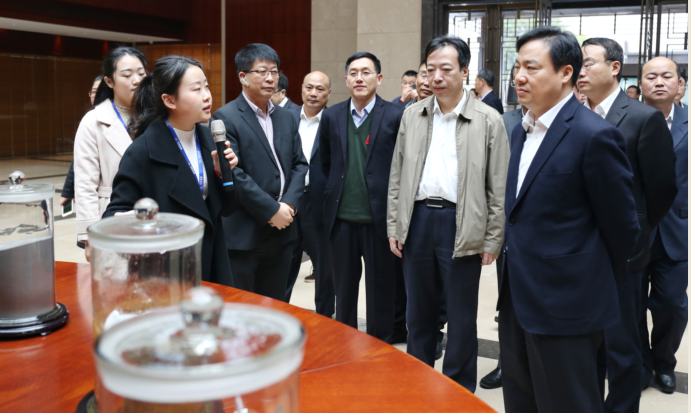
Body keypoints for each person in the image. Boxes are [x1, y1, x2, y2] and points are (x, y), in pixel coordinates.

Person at [500, 26, 638, 413]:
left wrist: (581, 279)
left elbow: (622, 229)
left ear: (565, 73)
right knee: (521, 401)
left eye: (531, 67)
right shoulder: (520, 130)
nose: (519, 76)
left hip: (567, 304)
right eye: (517, 67)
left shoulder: (594, 135)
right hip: (518, 297)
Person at [387, 35, 509, 392]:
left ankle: (458, 389)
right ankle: (417, 383)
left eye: (446, 69)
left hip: (462, 222)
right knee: (418, 314)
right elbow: (397, 175)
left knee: (460, 317)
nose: (436, 77)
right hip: (418, 221)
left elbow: (498, 186)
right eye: (430, 69)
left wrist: (493, 238)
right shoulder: (413, 115)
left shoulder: (488, 119)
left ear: (465, 71)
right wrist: (395, 225)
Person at [579, 37, 677, 413]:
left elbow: (662, 190)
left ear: (614, 67)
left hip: (624, 251)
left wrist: (635, 230)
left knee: (622, 342)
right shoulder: (572, 114)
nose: (580, 71)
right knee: (587, 341)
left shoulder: (641, 118)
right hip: (579, 248)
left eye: (588, 63)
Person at [104, 55, 241, 285]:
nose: (207, 96)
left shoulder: (209, 139)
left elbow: (227, 209)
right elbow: (114, 214)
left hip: (211, 260)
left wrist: (222, 174)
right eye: (196, 89)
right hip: (166, 269)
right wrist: (133, 221)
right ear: (170, 100)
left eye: (206, 86)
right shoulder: (143, 151)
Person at [211, 44, 308, 301]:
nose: (270, 78)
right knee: (243, 308)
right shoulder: (225, 117)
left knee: (276, 306)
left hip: (283, 231)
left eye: (274, 72)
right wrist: (271, 210)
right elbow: (234, 173)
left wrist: (288, 205)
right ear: (243, 77)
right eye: (262, 71)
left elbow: (300, 165)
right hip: (245, 233)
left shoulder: (286, 117)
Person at [319, 52, 404, 342]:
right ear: (346, 80)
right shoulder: (331, 115)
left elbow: (402, 165)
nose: (359, 78)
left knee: (381, 290)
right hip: (342, 219)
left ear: (378, 78)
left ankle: (380, 346)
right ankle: (345, 344)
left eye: (366, 72)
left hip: (379, 220)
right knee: (343, 292)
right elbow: (326, 162)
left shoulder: (395, 115)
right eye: (353, 73)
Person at [639, 56, 688, 394]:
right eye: (651, 76)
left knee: (672, 304)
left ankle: (663, 361)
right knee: (629, 306)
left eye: (666, 76)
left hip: (675, 231)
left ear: (679, 84)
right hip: (633, 231)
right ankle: (640, 364)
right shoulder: (624, 120)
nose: (659, 82)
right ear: (640, 84)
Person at [74, 47, 146, 262]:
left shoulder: (157, 117)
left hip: (152, 213)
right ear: (109, 81)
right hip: (112, 215)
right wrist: (88, 236)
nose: (136, 80)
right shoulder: (93, 121)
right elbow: (85, 185)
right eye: (127, 75)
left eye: (141, 73)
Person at [479, 101, 526, 390]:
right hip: (509, 225)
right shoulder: (504, 121)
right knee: (508, 301)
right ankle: (506, 363)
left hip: (557, 233)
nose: (522, 80)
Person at [285, 71, 336, 318]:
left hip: (321, 204)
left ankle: (325, 320)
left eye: (320, 89)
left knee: (325, 270)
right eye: (309, 87)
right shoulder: (286, 117)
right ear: (302, 89)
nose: (313, 93)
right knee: (284, 265)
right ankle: (279, 314)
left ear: (329, 94)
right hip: (289, 202)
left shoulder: (335, 120)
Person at [61, 75, 104, 250]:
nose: (95, 95)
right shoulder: (89, 119)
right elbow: (79, 161)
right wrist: (68, 191)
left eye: (99, 91)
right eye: (93, 92)